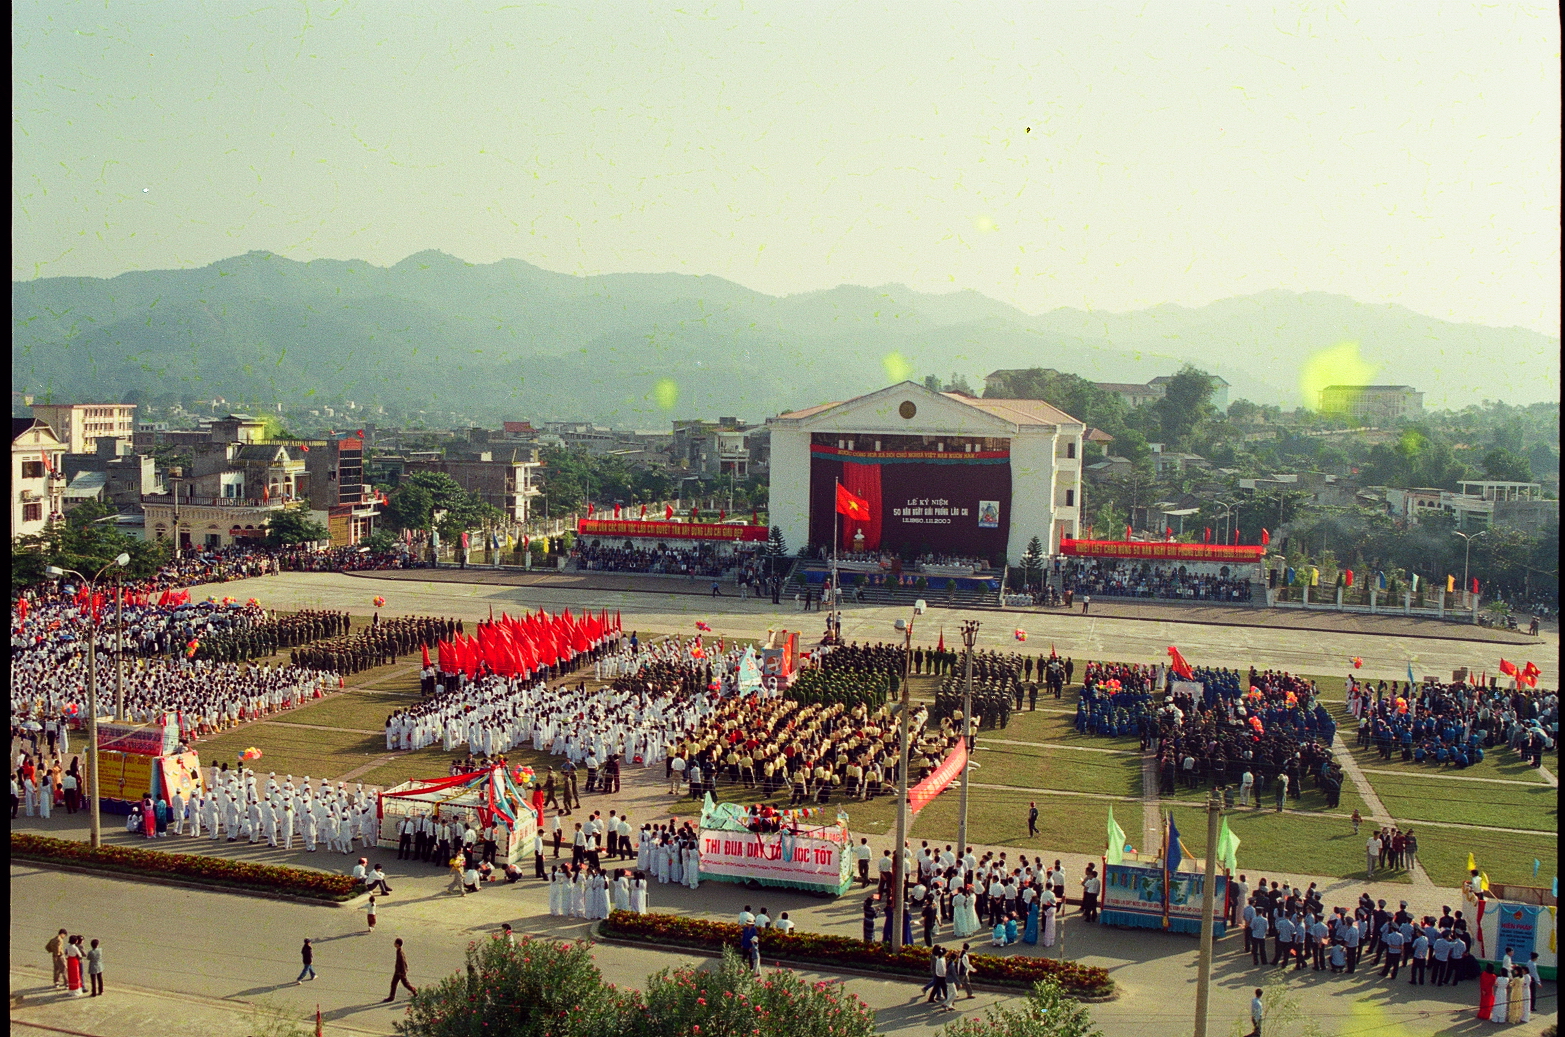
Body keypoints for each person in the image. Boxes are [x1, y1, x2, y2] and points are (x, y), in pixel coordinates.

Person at [383, 938, 417, 1002]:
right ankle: (391, 997)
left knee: (405, 984)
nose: (394, 944)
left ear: (398, 944)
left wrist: (402, 972)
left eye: (395, 943)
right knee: (394, 983)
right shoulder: (398, 951)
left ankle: (414, 991)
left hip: (400, 972)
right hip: (398, 971)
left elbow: (403, 962)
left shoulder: (400, 953)